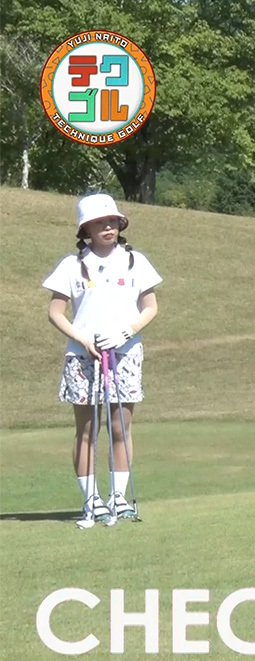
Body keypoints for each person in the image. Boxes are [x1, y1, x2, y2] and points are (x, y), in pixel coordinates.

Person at [42, 193, 162, 529]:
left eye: (112, 221)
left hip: (125, 353)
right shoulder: (71, 265)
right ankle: (91, 498)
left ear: (120, 224)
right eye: (99, 223)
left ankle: (118, 498)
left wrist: (126, 332)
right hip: (83, 356)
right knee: (87, 431)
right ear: (86, 229)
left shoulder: (136, 261)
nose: (107, 227)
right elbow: (55, 312)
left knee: (120, 427)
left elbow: (150, 307)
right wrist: (82, 338)